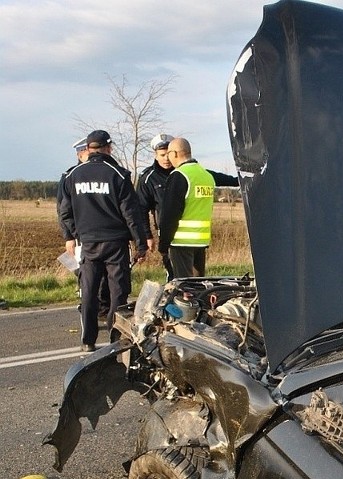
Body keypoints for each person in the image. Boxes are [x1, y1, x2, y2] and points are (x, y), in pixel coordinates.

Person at [58, 130, 148, 352]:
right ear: (109, 148)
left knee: (88, 291)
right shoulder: (118, 174)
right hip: (116, 243)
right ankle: (115, 339)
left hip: (87, 242)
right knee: (118, 292)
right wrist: (141, 244)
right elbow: (131, 213)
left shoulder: (73, 175)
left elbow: (64, 211)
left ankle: (88, 340)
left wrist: (71, 235)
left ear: (88, 149)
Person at [158, 137, 238, 278]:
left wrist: (163, 245)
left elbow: (169, 215)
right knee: (198, 285)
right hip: (201, 242)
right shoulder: (205, 175)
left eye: (169, 153)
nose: (168, 158)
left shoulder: (179, 176)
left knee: (183, 287)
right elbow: (230, 180)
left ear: (175, 153)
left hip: (181, 242)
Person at [57, 138, 111, 322]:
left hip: (105, 236)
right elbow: (63, 209)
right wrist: (70, 236)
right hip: (82, 237)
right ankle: (89, 310)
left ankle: (103, 309)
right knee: (87, 278)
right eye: (88, 153)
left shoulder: (104, 173)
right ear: (80, 154)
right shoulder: (71, 175)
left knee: (105, 277)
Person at [136, 133, 175, 280]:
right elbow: (141, 210)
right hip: (166, 232)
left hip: (189, 233)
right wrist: (147, 236)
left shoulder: (183, 172)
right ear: (156, 155)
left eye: (168, 154)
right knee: (172, 270)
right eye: (162, 155)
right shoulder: (148, 178)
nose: (166, 159)